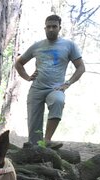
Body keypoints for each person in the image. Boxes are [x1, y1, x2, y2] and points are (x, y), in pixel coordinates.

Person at [14, 14, 85, 149]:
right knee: (34, 125)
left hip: (55, 88)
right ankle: (36, 152)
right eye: (48, 27)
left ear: (59, 28)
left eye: (54, 27)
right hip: (36, 89)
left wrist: (67, 83)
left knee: (58, 101)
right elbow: (19, 63)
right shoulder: (37, 46)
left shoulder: (69, 45)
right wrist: (27, 77)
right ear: (45, 28)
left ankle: (47, 140)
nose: (51, 29)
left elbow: (81, 67)